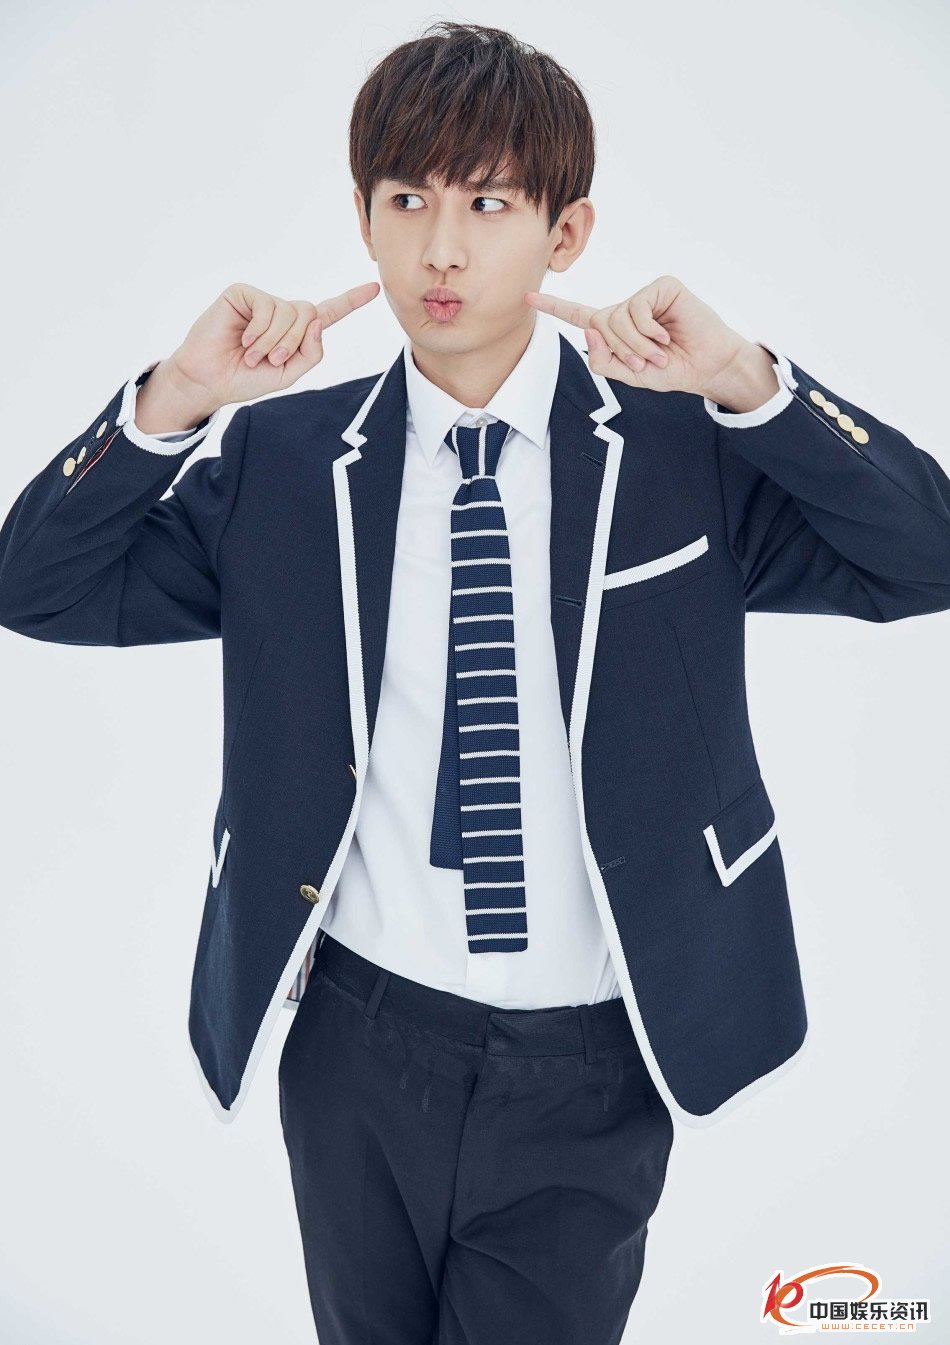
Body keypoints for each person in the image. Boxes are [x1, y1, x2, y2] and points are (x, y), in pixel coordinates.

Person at [2, 19, 949, 1345]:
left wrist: (744, 379)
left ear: (567, 231)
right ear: (364, 218)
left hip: (590, 1060)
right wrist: (176, 398)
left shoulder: (680, 450)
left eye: (489, 204)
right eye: (408, 202)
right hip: (354, 1042)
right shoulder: (287, 464)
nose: (441, 250)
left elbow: (922, 557)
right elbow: (36, 587)